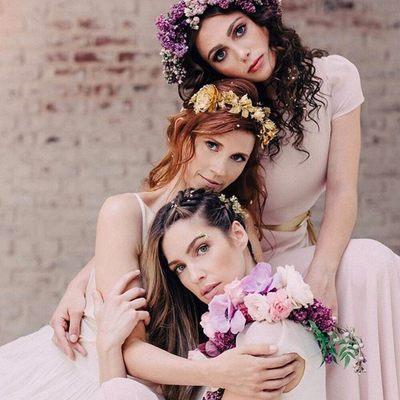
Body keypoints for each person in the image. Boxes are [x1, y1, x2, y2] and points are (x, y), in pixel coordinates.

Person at [155, 1, 400, 398]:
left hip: (301, 255)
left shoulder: (336, 78)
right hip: (237, 266)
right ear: (213, 70)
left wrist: (323, 268)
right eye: (221, 55)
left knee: (370, 263)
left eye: (239, 31)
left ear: (262, 22)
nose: (242, 53)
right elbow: (168, 196)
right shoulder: (228, 111)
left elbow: (342, 190)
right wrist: (86, 280)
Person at [0, 79, 302, 399]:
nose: (219, 169)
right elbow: (130, 350)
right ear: (187, 136)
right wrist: (218, 371)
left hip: (165, 385)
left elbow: (258, 305)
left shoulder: (237, 226)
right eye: (212, 145)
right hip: (83, 371)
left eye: (237, 158)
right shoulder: (125, 213)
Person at [144, 188, 325, 400]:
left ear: (238, 234)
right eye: (180, 267)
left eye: (202, 248)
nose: (194, 276)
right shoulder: (222, 340)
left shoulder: (265, 339)